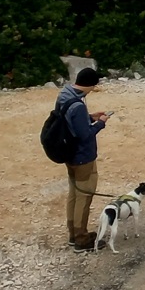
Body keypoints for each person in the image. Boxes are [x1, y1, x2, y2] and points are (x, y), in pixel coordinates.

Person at [58, 66, 109, 250]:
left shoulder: (65, 94)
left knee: (74, 194)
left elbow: (71, 121)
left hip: (69, 155)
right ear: (90, 85)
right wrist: (100, 123)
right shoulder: (78, 105)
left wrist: (89, 117)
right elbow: (85, 135)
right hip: (82, 157)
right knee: (84, 196)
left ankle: (73, 233)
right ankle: (81, 239)